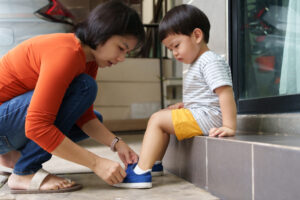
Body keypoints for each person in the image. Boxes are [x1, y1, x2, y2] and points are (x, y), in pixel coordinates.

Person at [0, 0, 145, 194]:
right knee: (84, 87)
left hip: (7, 124)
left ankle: (13, 156)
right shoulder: (66, 53)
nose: (122, 58)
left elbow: (84, 116)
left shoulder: (89, 60)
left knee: (94, 117)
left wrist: (116, 143)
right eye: (121, 48)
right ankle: (25, 171)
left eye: (127, 52)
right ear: (102, 33)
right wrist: (96, 163)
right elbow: (36, 126)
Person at [114, 4, 237, 189]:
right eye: (170, 49)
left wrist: (229, 126)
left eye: (176, 45)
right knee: (161, 119)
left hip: (210, 118)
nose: (175, 53)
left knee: (157, 120)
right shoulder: (197, 62)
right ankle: (153, 163)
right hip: (202, 114)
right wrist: (184, 105)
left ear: (197, 35)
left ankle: (141, 172)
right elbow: (204, 96)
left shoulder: (209, 60)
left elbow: (225, 92)